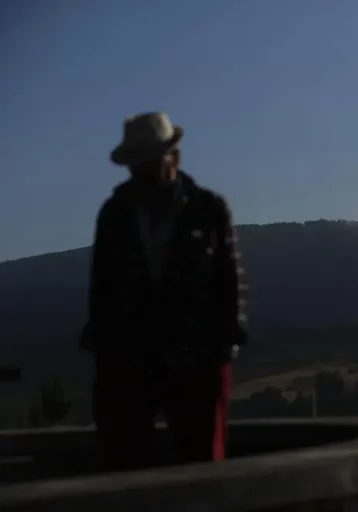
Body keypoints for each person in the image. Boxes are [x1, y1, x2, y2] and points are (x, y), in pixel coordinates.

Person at [80, 112, 248, 470]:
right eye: (136, 165)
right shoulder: (115, 214)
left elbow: (229, 278)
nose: (141, 173)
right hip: (131, 360)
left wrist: (226, 342)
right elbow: (102, 286)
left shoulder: (209, 209)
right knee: (125, 461)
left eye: (148, 162)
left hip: (197, 359)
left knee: (203, 464)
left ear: (174, 157)